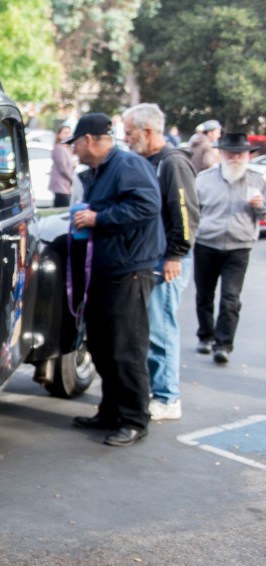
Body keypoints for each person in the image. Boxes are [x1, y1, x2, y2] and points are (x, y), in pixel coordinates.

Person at [68, 112, 165, 447]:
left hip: (129, 270)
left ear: (90, 140)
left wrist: (100, 218)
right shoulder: (101, 171)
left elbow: (148, 206)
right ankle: (110, 410)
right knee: (103, 346)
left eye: (76, 143)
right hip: (106, 269)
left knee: (126, 347)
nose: (74, 150)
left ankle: (135, 419)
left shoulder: (127, 165)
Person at [122, 103, 200, 421]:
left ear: (148, 131)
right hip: (154, 257)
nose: (126, 139)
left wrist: (175, 255)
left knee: (162, 327)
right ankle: (158, 391)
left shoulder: (172, 163)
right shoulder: (149, 161)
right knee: (151, 326)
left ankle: (168, 397)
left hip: (168, 260)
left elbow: (185, 213)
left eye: (129, 133)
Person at [192, 132, 266, 364]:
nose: (235, 157)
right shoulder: (204, 179)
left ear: (247, 155)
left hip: (239, 246)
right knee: (204, 294)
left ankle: (223, 344)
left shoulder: (257, 181)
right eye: (231, 153)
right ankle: (205, 335)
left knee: (230, 298)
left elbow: (264, 214)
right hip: (206, 243)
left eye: (240, 153)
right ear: (222, 154)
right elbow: (194, 212)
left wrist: (261, 206)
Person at [50, 124, 74, 208]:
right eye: (65, 133)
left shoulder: (67, 148)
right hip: (61, 185)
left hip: (66, 185)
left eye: (69, 133)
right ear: (59, 135)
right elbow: (63, 168)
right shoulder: (59, 148)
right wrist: (72, 179)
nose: (68, 135)